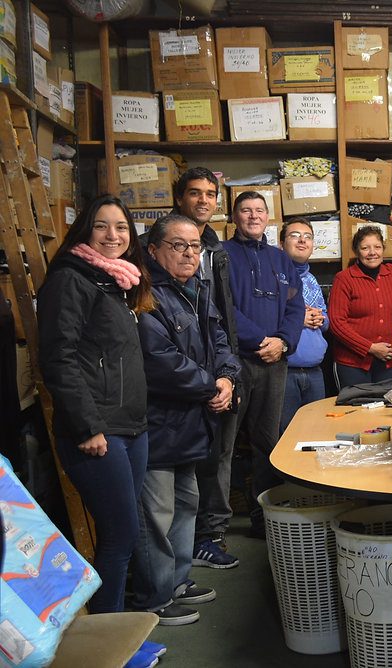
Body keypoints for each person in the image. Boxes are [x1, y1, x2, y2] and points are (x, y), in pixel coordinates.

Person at [36, 195, 155, 613]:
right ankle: (110, 638)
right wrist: (87, 426)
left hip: (129, 426)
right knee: (120, 535)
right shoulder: (71, 278)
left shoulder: (116, 282)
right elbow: (58, 357)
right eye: (102, 226)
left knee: (125, 531)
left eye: (121, 227)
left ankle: (123, 629)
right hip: (97, 431)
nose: (113, 235)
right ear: (85, 230)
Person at [133, 215, 241, 626]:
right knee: (157, 514)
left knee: (185, 505)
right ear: (155, 249)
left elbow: (220, 341)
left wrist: (228, 377)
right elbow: (159, 360)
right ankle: (154, 597)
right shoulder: (147, 293)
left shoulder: (195, 291)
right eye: (179, 246)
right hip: (160, 423)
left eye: (195, 246)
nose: (190, 254)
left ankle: (177, 582)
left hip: (192, 423)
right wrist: (211, 388)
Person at [171, 168, 241, 570]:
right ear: (180, 197)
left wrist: (229, 374)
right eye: (195, 193)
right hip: (180, 370)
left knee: (217, 455)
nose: (203, 200)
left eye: (211, 194)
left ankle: (209, 536)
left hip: (217, 365)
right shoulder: (157, 245)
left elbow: (221, 314)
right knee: (185, 463)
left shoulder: (217, 248)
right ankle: (187, 543)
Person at [223, 191, 304, 536]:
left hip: (275, 362)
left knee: (267, 441)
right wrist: (260, 341)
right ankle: (215, 527)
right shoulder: (221, 256)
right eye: (246, 210)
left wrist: (284, 342)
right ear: (234, 216)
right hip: (236, 362)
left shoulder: (280, 258)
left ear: (268, 217)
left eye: (259, 210)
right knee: (223, 445)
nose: (253, 216)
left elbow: (296, 306)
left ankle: (264, 517)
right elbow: (223, 306)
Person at [329, 226, 392, 389]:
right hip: (352, 364)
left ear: (383, 249)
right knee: (355, 412)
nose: (372, 252)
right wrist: (370, 348)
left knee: (384, 412)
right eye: (365, 248)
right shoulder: (344, 279)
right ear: (356, 251)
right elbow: (337, 324)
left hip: (387, 363)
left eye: (377, 247)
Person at [279, 218, 329, 432]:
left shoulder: (312, 280)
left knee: (315, 433)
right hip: (285, 372)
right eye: (295, 235)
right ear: (281, 244)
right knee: (286, 436)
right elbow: (263, 319)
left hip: (315, 372)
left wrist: (321, 319)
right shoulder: (275, 277)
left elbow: (325, 320)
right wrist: (298, 319)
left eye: (307, 237)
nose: (302, 241)